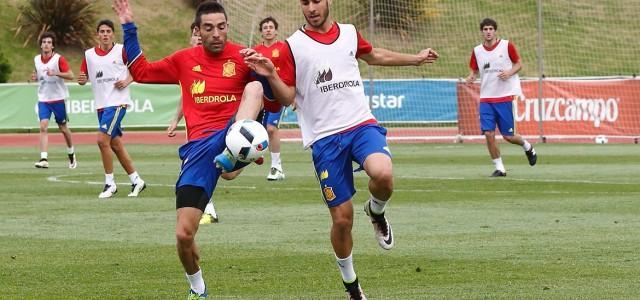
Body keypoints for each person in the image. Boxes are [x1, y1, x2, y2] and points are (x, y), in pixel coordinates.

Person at [244, 0, 439, 298]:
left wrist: (415, 58)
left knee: (384, 175)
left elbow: (374, 55)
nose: (311, 7)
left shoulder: (349, 32)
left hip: (361, 125)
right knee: (342, 220)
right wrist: (271, 74)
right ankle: (352, 285)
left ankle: (376, 211)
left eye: (316, 0)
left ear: (328, 1)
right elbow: (286, 98)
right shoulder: (291, 46)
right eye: (305, 2)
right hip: (324, 139)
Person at [112, 0, 280, 298]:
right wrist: (128, 25)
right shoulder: (183, 59)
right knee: (183, 235)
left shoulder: (244, 56)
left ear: (227, 26)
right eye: (208, 28)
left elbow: (275, 100)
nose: (216, 33)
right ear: (198, 31)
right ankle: (198, 289)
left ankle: (237, 150)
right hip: (200, 149)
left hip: (231, 131)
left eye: (221, 27)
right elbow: (141, 70)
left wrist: (268, 74)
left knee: (255, 88)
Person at [78, 19, 147, 198]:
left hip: (117, 103)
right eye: (102, 31)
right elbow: (83, 77)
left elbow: (139, 68)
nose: (105, 34)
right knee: (115, 145)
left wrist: (128, 80)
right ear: (97, 34)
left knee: (102, 141)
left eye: (108, 31)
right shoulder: (89, 55)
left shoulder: (122, 50)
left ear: (113, 34)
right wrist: (81, 80)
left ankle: (110, 184)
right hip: (101, 106)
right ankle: (136, 180)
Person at [465, 18, 537, 177]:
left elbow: (518, 64)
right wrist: (471, 77)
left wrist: (509, 72)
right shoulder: (477, 51)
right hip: (486, 99)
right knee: (489, 133)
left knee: (509, 136)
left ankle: (527, 146)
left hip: (505, 97)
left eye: (491, 29)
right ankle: (500, 168)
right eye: (485, 29)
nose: (488, 32)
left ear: (495, 31)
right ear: (482, 32)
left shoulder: (506, 45)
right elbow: (474, 70)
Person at [167, 22, 219, 225]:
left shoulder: (214, 63)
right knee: (200, 168)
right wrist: (175, 120)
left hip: (213, 127)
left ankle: (207, 210)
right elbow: (186, 95)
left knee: (207, 168)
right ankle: (207, 209)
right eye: (195, 34)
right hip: (195, 127)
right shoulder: (188, 63)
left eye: (200, 33)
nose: (198, 37)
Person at [31, 32, 77, 169]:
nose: (46, 44)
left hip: (58, 99)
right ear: (41, 45)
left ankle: (71, 153)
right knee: (43, 126)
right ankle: (44, 158)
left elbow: (71, 75)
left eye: (49, 42)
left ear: (53, 46)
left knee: (63, 128)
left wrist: (56, 73)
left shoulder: (58, 59)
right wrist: (35, 77)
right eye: (44, 42)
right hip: (43, 99)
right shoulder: (36, 60)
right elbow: (39, 75)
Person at [254, 16, 286, 181]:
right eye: (265, 27)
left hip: (278, 94)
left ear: (276, 30)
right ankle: (256, 154)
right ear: (261, 31)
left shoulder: (283, 48)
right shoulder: (255, 51)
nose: (268, 29)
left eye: (271, 27)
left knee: (271, 128)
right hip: (260, 97)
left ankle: (276, 167)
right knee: (256, 129)